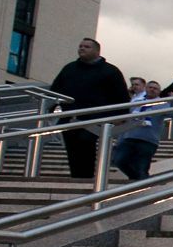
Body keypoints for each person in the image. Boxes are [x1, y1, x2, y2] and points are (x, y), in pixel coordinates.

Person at [50, 37, 130, 178]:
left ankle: (86, 178)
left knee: (86, 143)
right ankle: (76, 177)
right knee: (72, 147)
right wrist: (53, 107)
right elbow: (56, 90)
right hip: (69, 117)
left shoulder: (110, 71)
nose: (82, 48)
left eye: (87, 47)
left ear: (97, 51)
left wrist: (121, 115)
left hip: (95, 118)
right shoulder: (69, 68)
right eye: (80, 46)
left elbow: (121, 96)